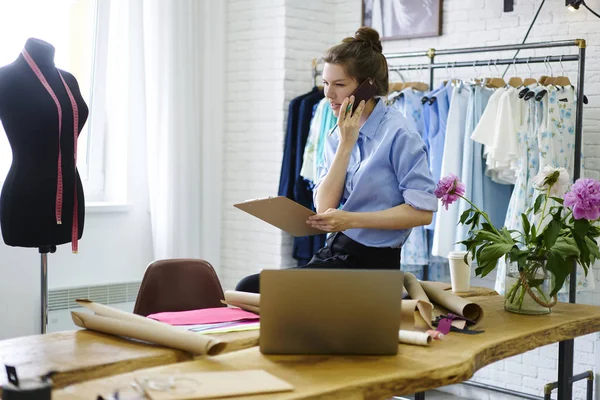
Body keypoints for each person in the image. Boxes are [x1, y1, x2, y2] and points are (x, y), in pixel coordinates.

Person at [235, 27, 437, 293]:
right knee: (248, 287)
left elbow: (422, 212)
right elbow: (324, 206)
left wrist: (351, 220)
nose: (328, 95)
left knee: (254, 289)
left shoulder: (400, 134)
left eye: (339, 85)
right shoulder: (336, 133)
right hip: (335, 253)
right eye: (326, 83)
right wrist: (345, 144)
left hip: (374, 265)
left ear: (368, 87)